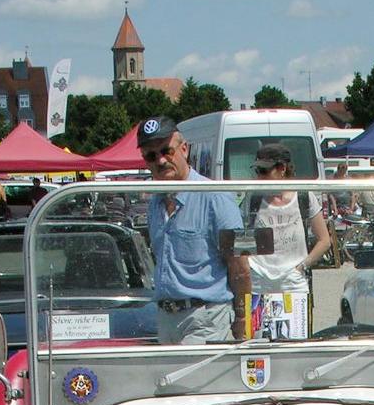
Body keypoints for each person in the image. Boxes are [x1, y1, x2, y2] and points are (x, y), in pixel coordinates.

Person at [139, 115, 251, 343]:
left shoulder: (216, 197)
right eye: (151, 156)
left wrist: (243, 318)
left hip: (205, 318)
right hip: (166, 318)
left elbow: (240, 266)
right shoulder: (155, 203)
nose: (160, 161)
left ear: (184, 149)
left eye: (166, 151)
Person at [248, 142, 330, 338]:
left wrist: (302, 267)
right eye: (257, 170)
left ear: (282, 169)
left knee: (296, 345)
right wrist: (248, 267)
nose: (259, 176)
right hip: (259, 283)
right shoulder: (252, 198)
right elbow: (241, 239)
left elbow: (324, 240)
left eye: (265, 171)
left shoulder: (304, 196)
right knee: (257, 350)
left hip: (293, 283)